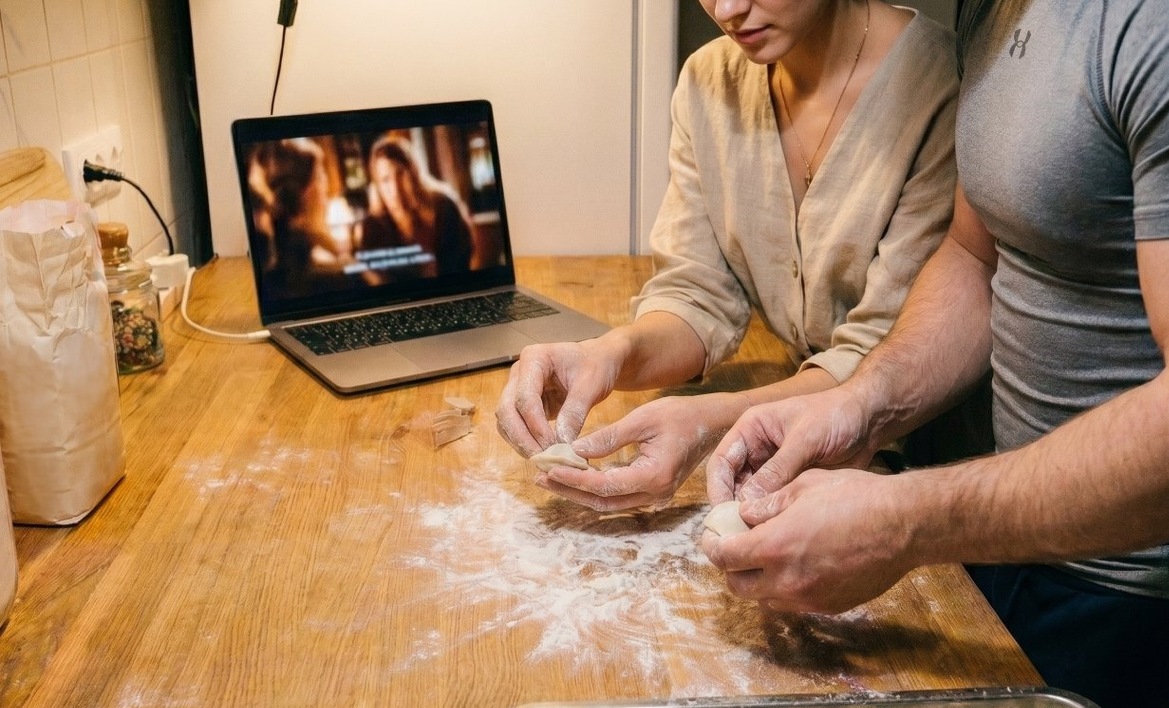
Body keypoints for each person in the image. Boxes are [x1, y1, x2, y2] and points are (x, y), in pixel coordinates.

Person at [702, 0, 1169, 708]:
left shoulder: (1164, 24)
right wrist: (855, 408)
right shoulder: (991, 10)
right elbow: (975, 257)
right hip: (1007, 550)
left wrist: (906, 521)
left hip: (1142, 605)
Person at [494, 0, 959, 511]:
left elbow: (883, 357)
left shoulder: (944, 85)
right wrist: (608, 354)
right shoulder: (709, 80)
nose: (728, 9)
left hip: (937, 474)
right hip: (808, 450)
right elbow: (697, 296)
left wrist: (710, 422)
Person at [356, 133, 476, 278]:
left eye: (400, 174)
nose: (395, 189)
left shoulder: (444, 208)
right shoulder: (372, 227)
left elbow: (463, 264)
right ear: (377, 186)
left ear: (414, 173)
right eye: (385, 180)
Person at [251, 137, 354, 300]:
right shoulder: (329, 273)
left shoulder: (273, 254)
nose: (325, 191)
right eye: (320, 177)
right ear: (306, 192)